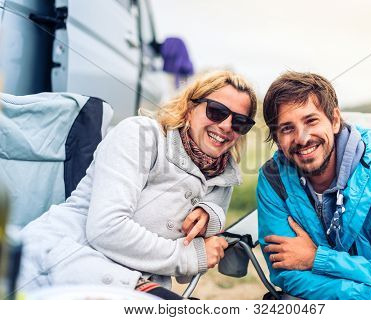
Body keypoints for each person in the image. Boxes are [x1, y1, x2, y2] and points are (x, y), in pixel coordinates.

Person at [17, 70, 257, 297]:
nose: (226, 126)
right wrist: (189, 255)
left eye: (239, 122)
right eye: (216, 111)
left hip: (136, 283)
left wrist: (212, 215)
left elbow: (187, 275)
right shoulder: (141, 135)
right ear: (190, 107)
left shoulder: (222, 177)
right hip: (65, 262)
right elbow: (107, 229)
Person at [257, 71, 371, 300]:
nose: (302, 138)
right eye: (287, 128)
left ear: (335, 120)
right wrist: (368, 298)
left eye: (311, 120)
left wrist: (318, 258)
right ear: (277, 139)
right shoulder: (273, 180)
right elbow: (287, 273)